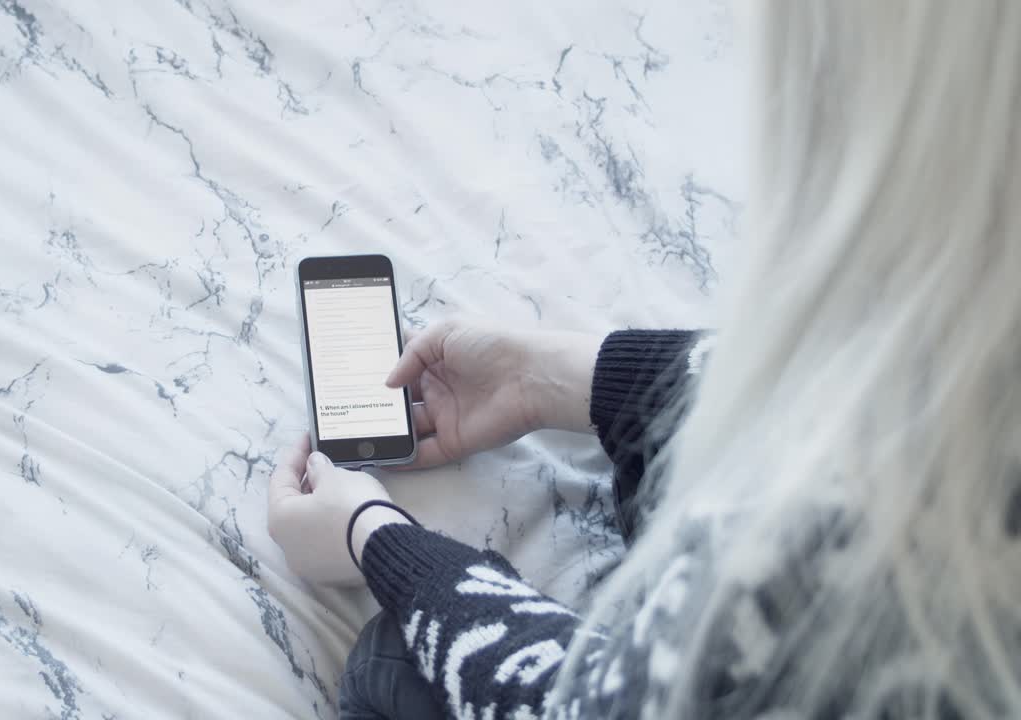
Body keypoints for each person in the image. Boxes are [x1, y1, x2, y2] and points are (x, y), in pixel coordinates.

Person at [268, 2, 1021, 718]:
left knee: (390, 660)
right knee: (664, 465)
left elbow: (589, 705)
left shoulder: (813, 556)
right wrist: (557, 378)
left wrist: (375, 537)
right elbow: (844, 401)